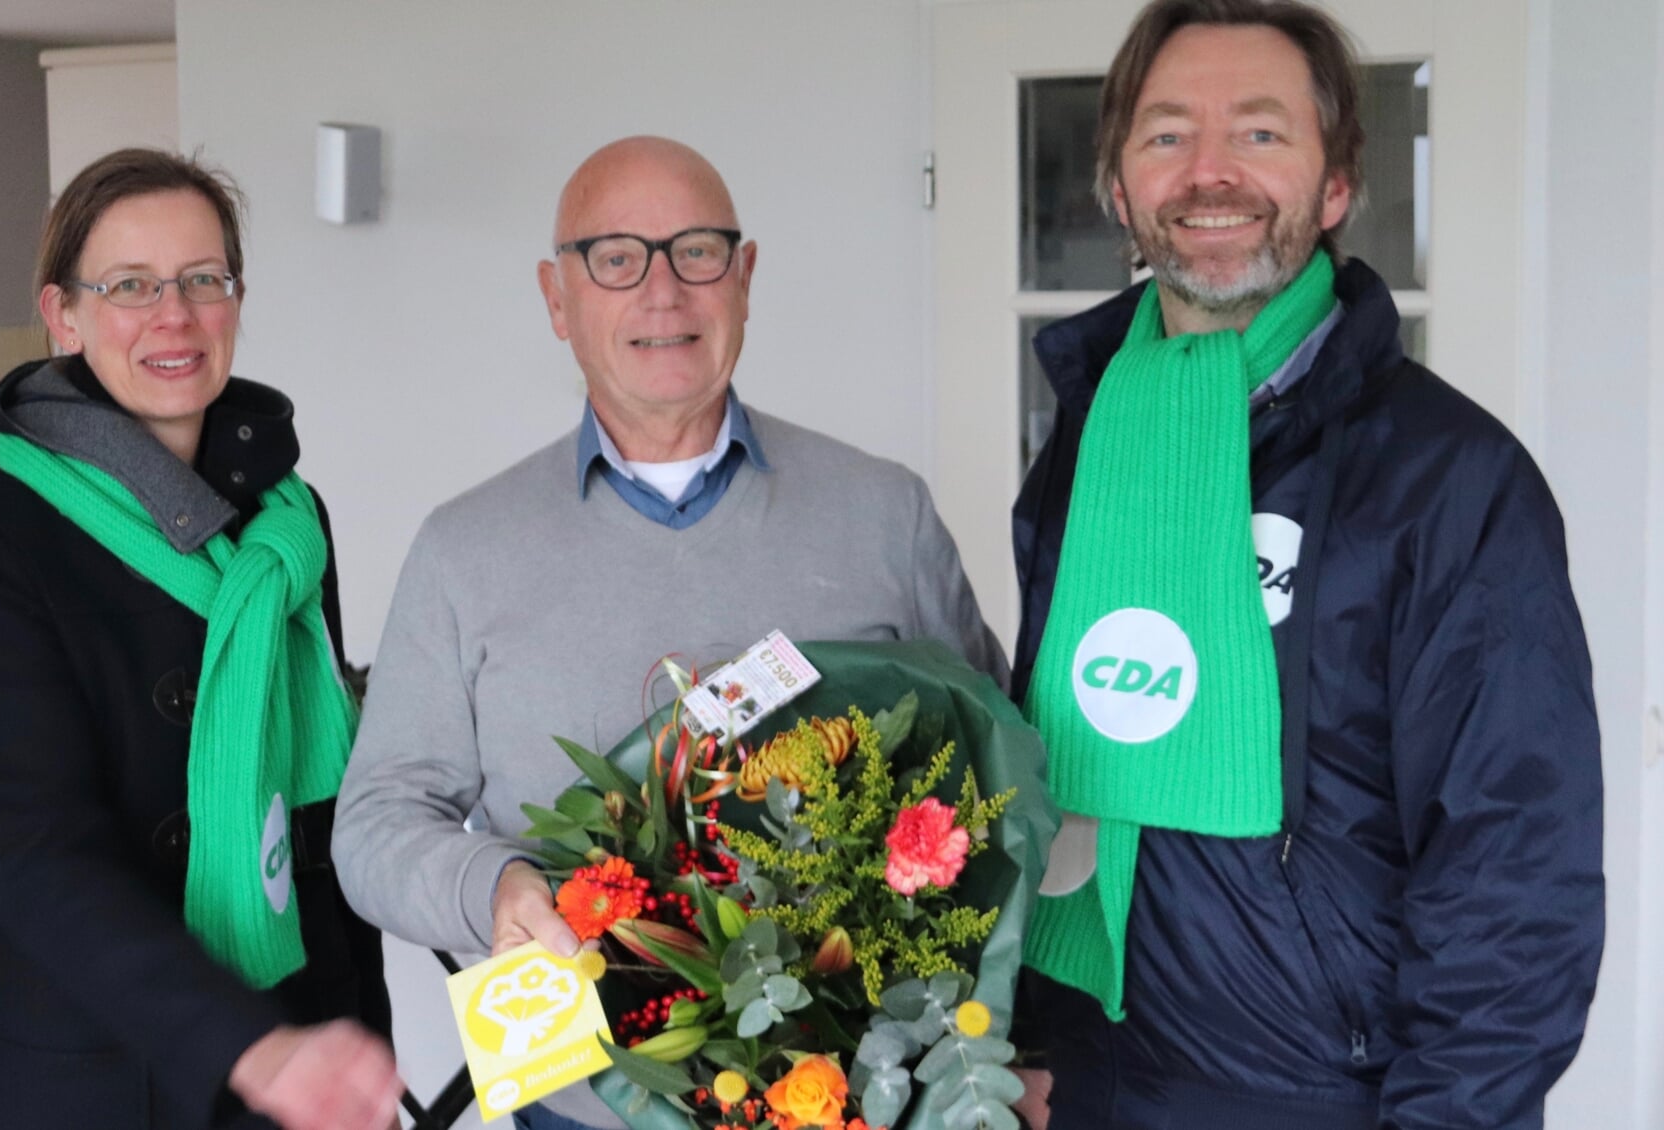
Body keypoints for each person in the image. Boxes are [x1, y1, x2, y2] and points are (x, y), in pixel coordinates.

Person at [1006, 3, 1604, 1127]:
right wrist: (1026, 1036)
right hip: (1085, 1086)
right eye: (1168, 134)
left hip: (1332, 1097)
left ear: (1335, 187)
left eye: (1263, 133)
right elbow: (1059, 762)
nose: (1210, 173)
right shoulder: (1089, 441)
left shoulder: (1452, 480)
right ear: (1121, 186)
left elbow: (1514, 877)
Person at [333, 135, 1006, 1130]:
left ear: (744, 279)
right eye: (616, 257)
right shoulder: (464, 549)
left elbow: (990, 775)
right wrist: (498, 886)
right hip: (584, 1102)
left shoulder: (884, 515)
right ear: (557, 299)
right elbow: (376, 823)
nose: (663, 291)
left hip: (857, 1096)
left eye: (697, 252)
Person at [0, 148, 401, 1130]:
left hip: (304, 1024)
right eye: (130, 285)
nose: (173, 315)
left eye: (201, 280)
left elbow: (316, 800)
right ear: (64, 313)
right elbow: (37, 854)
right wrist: (251, 1045)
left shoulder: (290, 521)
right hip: (94, 1066)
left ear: (235, 296)